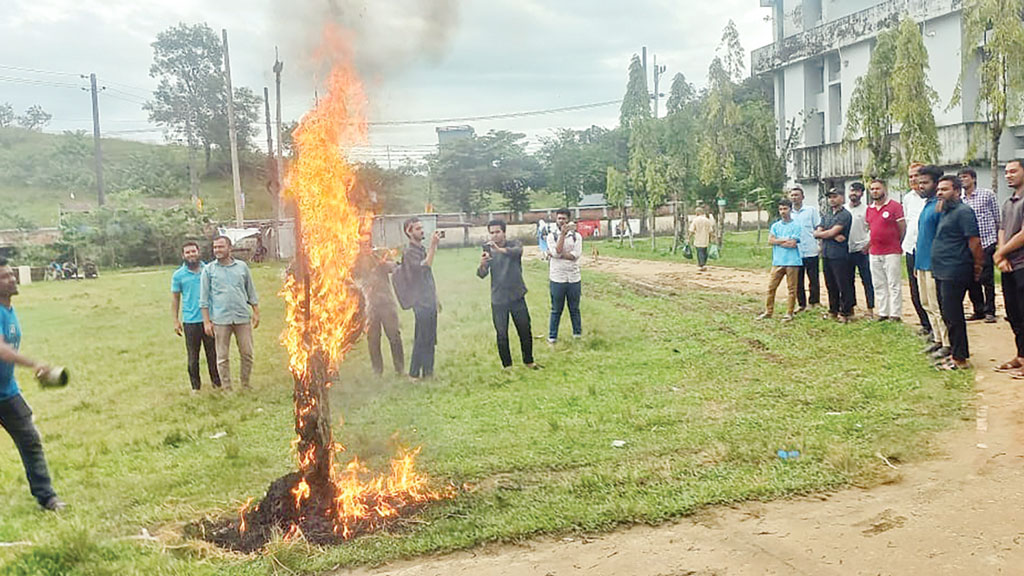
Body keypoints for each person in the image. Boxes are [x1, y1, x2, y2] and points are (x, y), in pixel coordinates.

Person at [0, 258, 65, 511]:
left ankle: (47, 497)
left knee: (30, 440)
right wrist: (33, 363)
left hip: (7, 392)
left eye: (11, 274)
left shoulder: (9, 310)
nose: (12, 279)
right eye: (4, 277)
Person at [931, 175, 984, 370]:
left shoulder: (964, 212)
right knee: (947, 313)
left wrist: (978, 267)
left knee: (953, 315)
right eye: (938, 190)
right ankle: (955, 353)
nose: (939, 193)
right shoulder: (946, 211)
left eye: (944, 190)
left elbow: (975, 242)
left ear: (956, 190)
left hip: (955, 269)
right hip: (941, 270)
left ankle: (960, 359)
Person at [200, 235, 260, 390]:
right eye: (215, 247)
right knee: (222, 357)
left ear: (229, 248)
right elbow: (204, 298)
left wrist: (256, 312)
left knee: (247, 353)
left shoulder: (242, 267)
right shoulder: (209, 270)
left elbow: (250, 291)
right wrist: (207, 321)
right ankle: (226, 387)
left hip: (241, 317)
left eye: (221, 247)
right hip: (221, 319)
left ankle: (245, 384)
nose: (217, 250)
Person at [477, 219, 539, 368]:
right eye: (491, 232)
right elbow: (481, 274)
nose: (494, 235)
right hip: (498, 297)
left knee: (524, 329)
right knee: (501, 334)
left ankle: (529, 361)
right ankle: (507, 366)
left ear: (504, 232)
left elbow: (517, 252)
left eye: (497, 232)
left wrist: (499, 250)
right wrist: (483, 264)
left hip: (516, 294)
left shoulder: (514, 244)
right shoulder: (488, 248)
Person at [172, 241, 221, 392]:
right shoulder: (178, 275)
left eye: (193, 251)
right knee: (193, 357)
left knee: (213, 354)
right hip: (190, 321)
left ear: (198, 252)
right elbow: (175, 299)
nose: (191, 255)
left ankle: (217, 384)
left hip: (210, 319)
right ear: (183, 255)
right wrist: (175, 320)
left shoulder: (209, 270)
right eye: (187, 252)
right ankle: (196, 387)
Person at [354, 242, 404, 376]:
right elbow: (352, 277)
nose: (365, 249)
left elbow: (394, 267)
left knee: (394, 335)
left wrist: (386, 263)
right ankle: (377, 371)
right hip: (369, 306)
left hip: (386, 303)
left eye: (367, 246)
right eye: (362, 246)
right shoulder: (356, 262)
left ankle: (399, 368)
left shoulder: (379, 256)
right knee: (373, 339)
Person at [993, 160, 1024, 377]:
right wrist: (1002, 255)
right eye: (1006, 172)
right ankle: (1021, 356)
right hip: (1009, 265)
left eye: (1013, 171)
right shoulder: (1008, 202)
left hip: (1022, 264)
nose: (1008, 175)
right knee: (1013, 313)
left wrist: (1000, 252)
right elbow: (1003, 229)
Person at [915, 165, 949, 360]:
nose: (921, 186)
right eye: (920, 183)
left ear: (936, 184)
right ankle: (936, 338)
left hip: (934, 264)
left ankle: (946, 343)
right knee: (926, 303)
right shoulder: (927, 205)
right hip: (921, 263)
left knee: (937, 306)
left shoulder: (940, 206)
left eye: (925, 183)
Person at [960, 166, 1000, 323]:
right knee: (971, 279)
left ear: (973, 179)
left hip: (986, 241)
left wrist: (995, 240)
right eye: (961, 177)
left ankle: (990, 310)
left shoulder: (987, 195)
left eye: (965, 177)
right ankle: (979, 309)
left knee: (987, 278)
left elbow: (996, 217)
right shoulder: (960, 199)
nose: (963, 180)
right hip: (968, 244)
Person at [402, 217, 441, 379]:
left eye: (421, 228)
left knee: (431, 338)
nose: (422, 231)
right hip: (419, 301)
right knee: (421, 338)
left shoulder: (421, 249)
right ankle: (413, 374)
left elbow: (428, 275)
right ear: (409, 232)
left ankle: (428, 372)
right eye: (417, 229)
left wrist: (436, 297)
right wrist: (433, 246)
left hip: (429, 299)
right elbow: (425, 266)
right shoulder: (409, 252)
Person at [865, 179, 906, 321]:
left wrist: (896, 242)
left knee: (894, 283)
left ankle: (895, 314)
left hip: (891, 250)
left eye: (877, 188)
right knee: (878, 283)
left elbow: (902, 228)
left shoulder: (894, 206)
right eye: (872, 189)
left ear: (885, 189)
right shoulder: (869, 209)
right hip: (875, 251)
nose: (875, 191)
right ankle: (883, 312)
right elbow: (870, 228)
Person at [814, 188, 855, 322]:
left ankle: (846, 312)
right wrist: (828, 234)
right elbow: (817, 232)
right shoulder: (827, 214)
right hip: (826, 254)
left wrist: (828, 234)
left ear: (842, 198)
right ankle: (833, 310)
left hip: (839, 255)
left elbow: (830, 233)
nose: (832, 199)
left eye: (835, 196)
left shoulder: (845, 215)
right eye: (830, 197)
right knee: (830, 284)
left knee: (843, 284)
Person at [758, 198, 802, 321]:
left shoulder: (796, 226)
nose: (783, 211)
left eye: (785, 209)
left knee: (792, 289)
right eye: (781, 209)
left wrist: (778, 241)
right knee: (771, 288)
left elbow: (793, 243)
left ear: (790, 209)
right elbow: (770, 240)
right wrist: (784, 240)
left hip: (792, 262)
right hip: (777, 261)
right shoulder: (775, 226)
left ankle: (789, 313)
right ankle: (768, 311)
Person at [903, 162, 933, 337]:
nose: (914, 179)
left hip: (927, 250)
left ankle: (935, 327)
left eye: (916, 175)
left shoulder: (931, 198)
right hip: (911, 248)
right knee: (915, 290)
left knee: (929, 290)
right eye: (910, 176)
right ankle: (925, 324)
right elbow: (909, 223)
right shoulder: (908, 198)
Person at [546, 208, 583, 343]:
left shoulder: (576, 236)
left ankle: (577, 335)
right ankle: (552, 337)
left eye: (564, 218)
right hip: (557, 277)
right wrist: (561, 235)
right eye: (559, 218)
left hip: (574, 277)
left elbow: (575, 255)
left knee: (574, 308)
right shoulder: (552, 236)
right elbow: (556, 253)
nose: (561, 221)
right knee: (556, 309)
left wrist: (558, 254)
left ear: (568, 220)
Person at [790, 186, 822, 311]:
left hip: (810, 249)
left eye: (797, 195)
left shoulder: (811, 210)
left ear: (803, 197)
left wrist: (820, 244)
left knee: (813, 278)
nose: (794, 197)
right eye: (792, 195)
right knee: (798, 280)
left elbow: (818, 226)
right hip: (795, 252)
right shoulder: (789, 213)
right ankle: (801, 304)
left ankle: (814, 302)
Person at [846, 182, 874, 318]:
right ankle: (851, 308)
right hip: (846, 250)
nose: (853, 194)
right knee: (848, 280)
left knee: (867, 280)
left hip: (862, 250)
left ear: (862, 193)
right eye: (852, 191)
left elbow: (872, 229)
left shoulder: (867, 209)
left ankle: (870, 309)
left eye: (857, 191)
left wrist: (868, 245)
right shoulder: (844, 209)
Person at [688, 206, 716, 271]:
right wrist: (712, 237)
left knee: (699, 251)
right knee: (704, 251)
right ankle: (704, 263)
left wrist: (689, 238)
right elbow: (710, 230)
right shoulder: (707, 220)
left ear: (697, 213)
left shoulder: (695, 220)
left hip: (698, 238)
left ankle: (701, 264)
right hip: (706, 238)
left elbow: (691, 230)